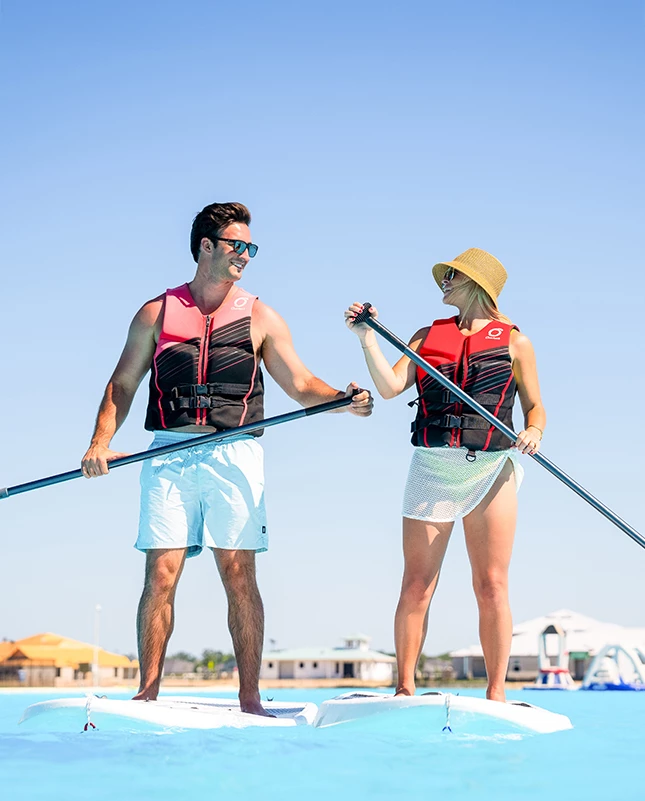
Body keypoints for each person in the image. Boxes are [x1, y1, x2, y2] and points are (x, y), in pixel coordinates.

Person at [81, 202, 373, 715]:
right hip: (168, 451)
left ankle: (250, 697)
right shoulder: (156, 313)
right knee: (161, 573)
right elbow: (121, 384)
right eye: (237, 245)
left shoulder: (261, 316)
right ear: (205, 246)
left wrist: (342, 401)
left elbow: (301, 383)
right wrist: (99, 443)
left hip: (233, 454)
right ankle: (148, 691)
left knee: (239, 573)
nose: (246, 255)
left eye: (250, 247)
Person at [345, 248, 545, 702]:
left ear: (477, 283)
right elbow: (390, 387)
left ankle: (496, 694)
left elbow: (535, 406)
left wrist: (534, 430)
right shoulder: (425, 336)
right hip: (433, 467)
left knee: (491, 584)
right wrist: (366, 337)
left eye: (453, 275)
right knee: (416, 584)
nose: (444, 281)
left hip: (491, 467)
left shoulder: (516, 342)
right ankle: (404, 688)